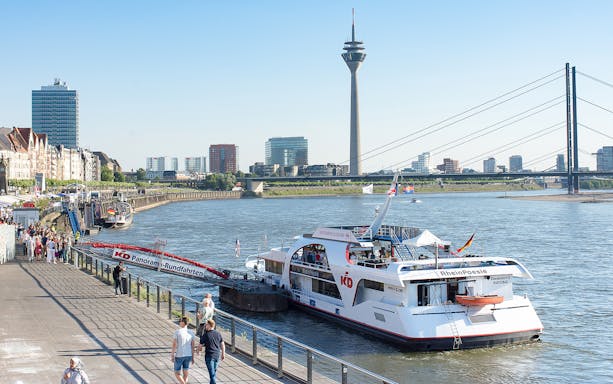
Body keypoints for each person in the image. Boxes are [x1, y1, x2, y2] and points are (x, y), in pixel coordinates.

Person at [198, 319, 225, 384]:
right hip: (217, 355)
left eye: (206, 325)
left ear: (209, 325)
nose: (205, 326)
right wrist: (223, 354)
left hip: (209, 356)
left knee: (212, 375)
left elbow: (200, 345)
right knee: (213, 373)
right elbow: (222, 344)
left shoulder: (205, 335)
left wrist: (199, 351)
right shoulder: (218, 334)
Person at [171, 316, 196, 384]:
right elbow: (193, 346)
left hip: (179, 354)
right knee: (185, 373)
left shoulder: (177, 332)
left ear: (182, 323)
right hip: (188, 355)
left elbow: (174, 344)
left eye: (180, 321)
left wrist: (172, 354)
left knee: (177, 373)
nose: (179, 322)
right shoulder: (191, 332)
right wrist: (193, 357)